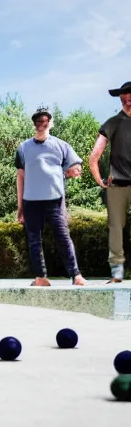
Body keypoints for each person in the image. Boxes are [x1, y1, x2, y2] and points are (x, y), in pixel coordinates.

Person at [15, 106, 86, 286]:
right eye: (39, 120)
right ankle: (41, 278)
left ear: (50, 122)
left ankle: (76, 276)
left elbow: (77, 168)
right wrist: (20, 206)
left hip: (55, 199)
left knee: (63, 236)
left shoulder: (61, 145)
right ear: (34, 123)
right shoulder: (23, 148)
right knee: (33, 240)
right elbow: (20, 176)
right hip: (31, 200)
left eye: (45, 119)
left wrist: (66, 173)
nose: (42, 123)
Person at [89, 81, 131, 282]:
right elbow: (94, 156)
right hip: (117, 184)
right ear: (121, 98)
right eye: (125, 94)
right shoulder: (112, 123)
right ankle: (117, 270)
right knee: (115, 226)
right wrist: (100, 180)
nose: (129, 96)